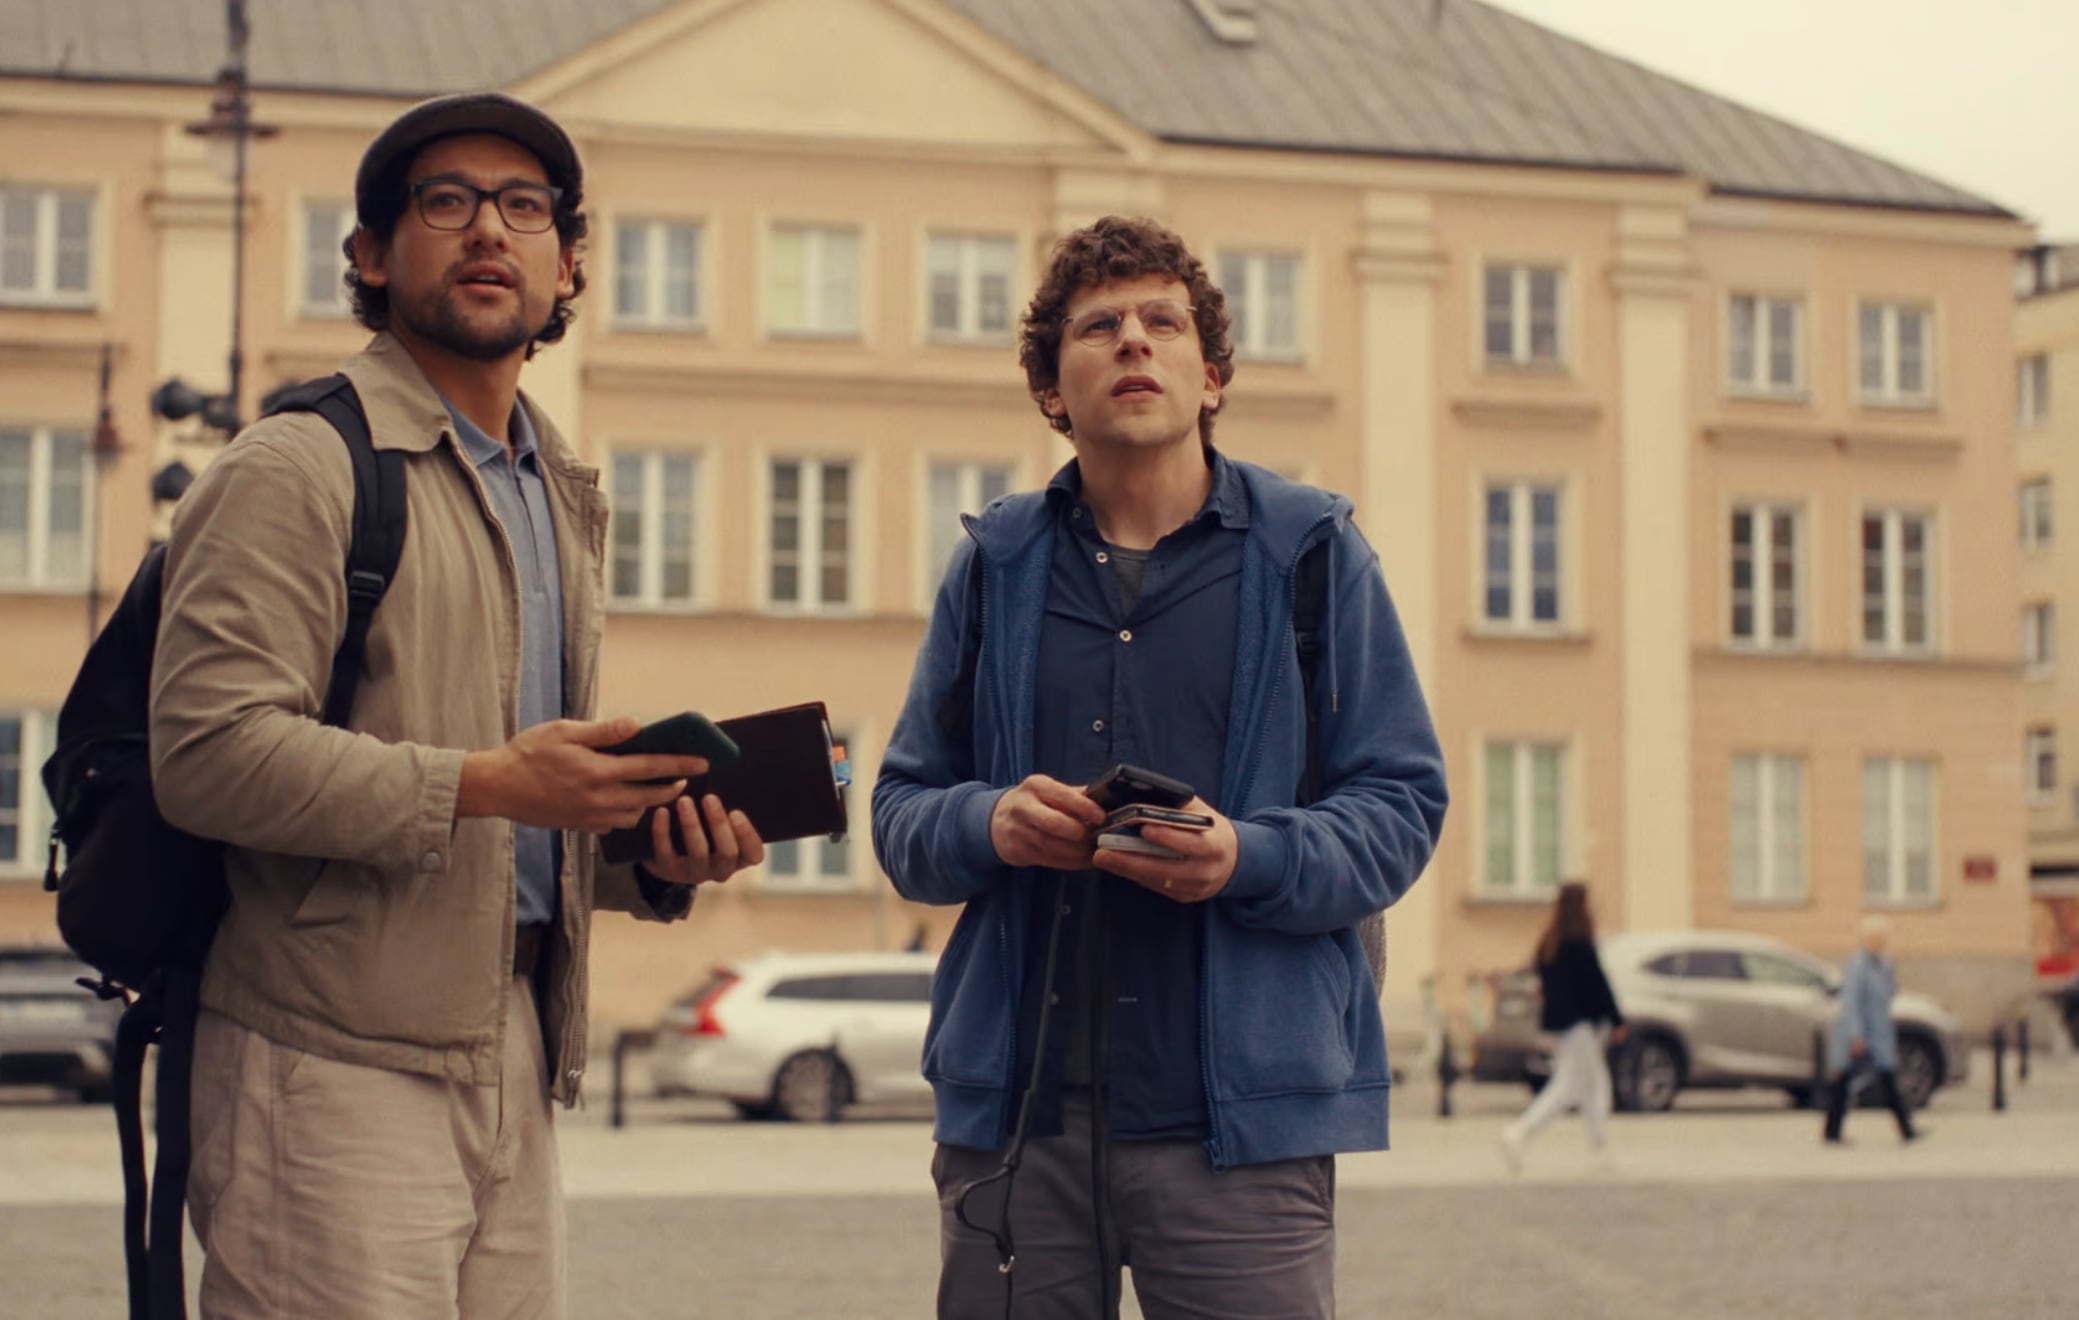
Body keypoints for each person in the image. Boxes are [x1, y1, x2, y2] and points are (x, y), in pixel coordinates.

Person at [149, 93, 764, 1319]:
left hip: (517, 1046)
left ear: (569, 262)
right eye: (447, 202)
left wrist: (649, 852)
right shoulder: (297, 465)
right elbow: (208, 755)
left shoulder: (556, 490)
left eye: (525, 207)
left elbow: (511, 831)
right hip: (327, 1059)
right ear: (373, 256)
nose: (490, 227)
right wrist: (490, 782)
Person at [872, 215, 1448, 1319]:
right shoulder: (994, 565)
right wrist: (989, 823)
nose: (1133, 342)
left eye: (1161, 323)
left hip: (1238, 1129)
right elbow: (901, 813)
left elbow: (1403, 802)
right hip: (1021, 1126)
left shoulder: (1314, 554)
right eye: (1098, 327)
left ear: (1213, 376)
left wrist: (1248, 856)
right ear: (1052, 391)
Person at [1499, 881, 1625, 1174]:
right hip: (1579, 1025)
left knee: (1595, 1084)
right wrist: (1617, 1019)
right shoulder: (1579, 941)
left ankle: (1599, 1146)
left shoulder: (1551, 941)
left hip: (1562, 1023)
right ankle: (1518, 1133)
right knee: (1568, 1087)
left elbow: (1545, 982)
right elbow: (1597, 985)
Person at [1823, 916, 1922, 1145]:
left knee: (1884, 1080)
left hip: (1879, 1034)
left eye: (1883, 938)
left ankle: (1905, 1128)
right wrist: (1855, 1035)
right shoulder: (1857, 966)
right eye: (1877, 938)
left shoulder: (1884, 964)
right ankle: (1833, 1131)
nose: (1881, 943)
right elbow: (1851, 1003)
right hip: (1860, 1035)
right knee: (1846, 1082)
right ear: (1866, 940)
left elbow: (1889, 993)